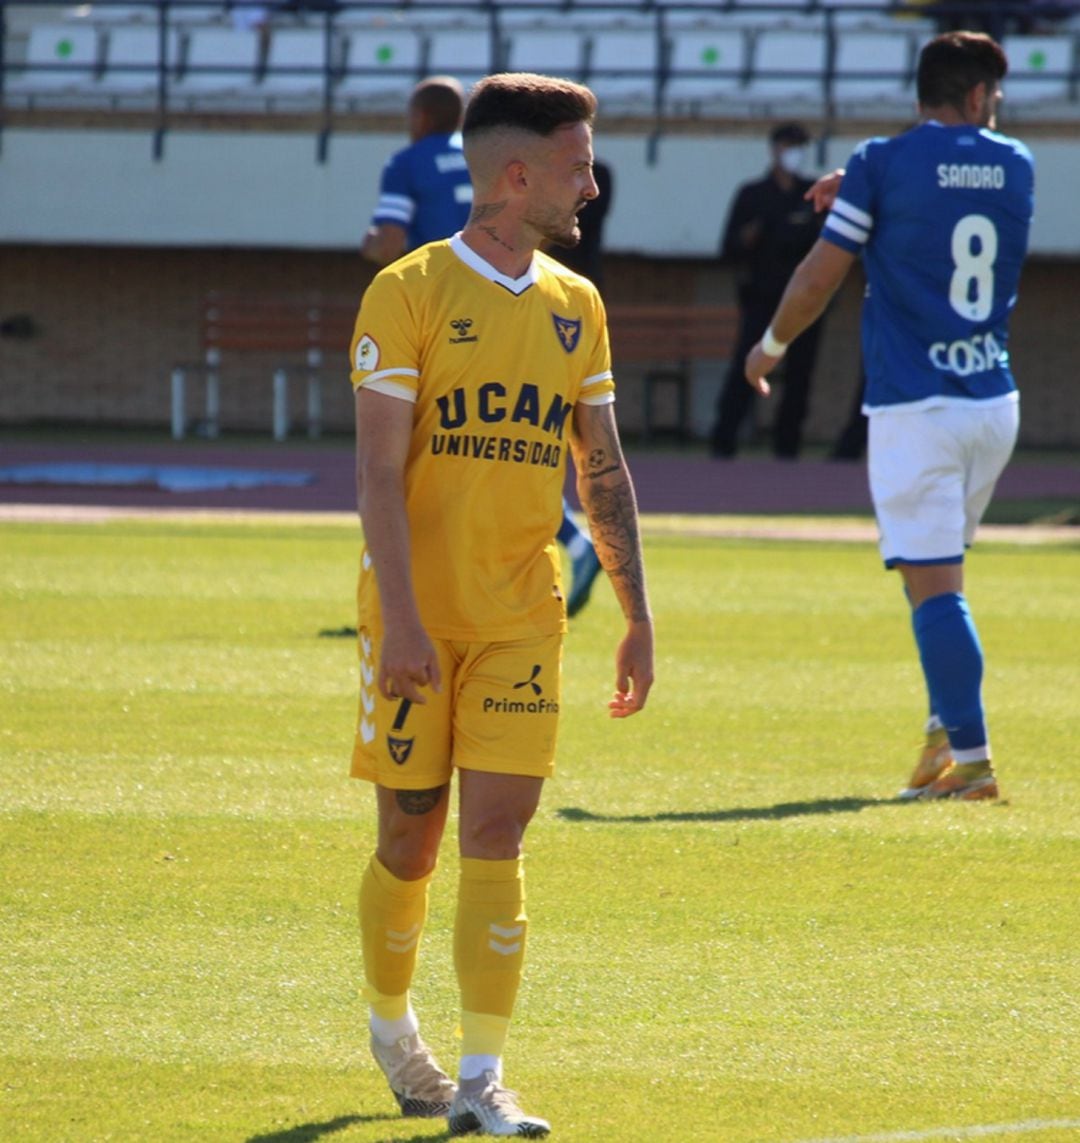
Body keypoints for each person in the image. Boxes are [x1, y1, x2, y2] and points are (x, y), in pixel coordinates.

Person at [349, 72, 654, 1137]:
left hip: (524, 617)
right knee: (410, 842)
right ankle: (396, 1035)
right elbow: (378, 475)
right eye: (577, 165)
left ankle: (480, 1082)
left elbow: (602, 471)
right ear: (516, 175)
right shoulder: (410, 291)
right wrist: (402, 623)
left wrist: (636, 610)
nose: (592, 184)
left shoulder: (580, 306)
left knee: (498, 832)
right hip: (417, 619)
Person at [745, 31, 1034, 801]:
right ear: (978, 98)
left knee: (937, 588)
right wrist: (870, 179)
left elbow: (818, 276)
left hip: (919, 408)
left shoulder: (884, 163)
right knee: (934, 577)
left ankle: (971, 760)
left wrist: (768, 347)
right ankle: (945, 734)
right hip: (992, 403)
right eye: (995, 101)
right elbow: (948, 195)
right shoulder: (1017, 164)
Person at [361, 75, 603, 617]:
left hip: (442, 302)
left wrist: (370, 249)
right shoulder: (499, 153)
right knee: (507, 432)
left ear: (420, 118)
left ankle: (413, 589)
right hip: (514, 291)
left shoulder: (407, 163)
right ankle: (574, 544)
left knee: (428, 443)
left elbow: (391, 239)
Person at [710, 122, 825, 459]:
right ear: (774, 149)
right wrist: (749, 238)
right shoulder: (753, 194)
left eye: (800, 146)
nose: (794, 154)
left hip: (805, 302)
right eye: (789, 146)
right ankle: (723, 442)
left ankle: (787, 447)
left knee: (801, 375)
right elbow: (728, 247)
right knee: (745, 369)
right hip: (762, 299)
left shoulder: (812, 193)